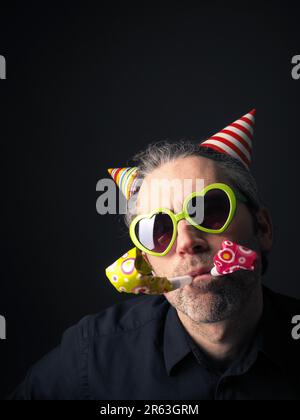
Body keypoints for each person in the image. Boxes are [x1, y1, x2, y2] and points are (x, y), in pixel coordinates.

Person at [9, 110, 300, 400]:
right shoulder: (92, 356)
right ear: (147, 262)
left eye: (210, 211)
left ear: (262, 228)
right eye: (158, 230)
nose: (186, 241)